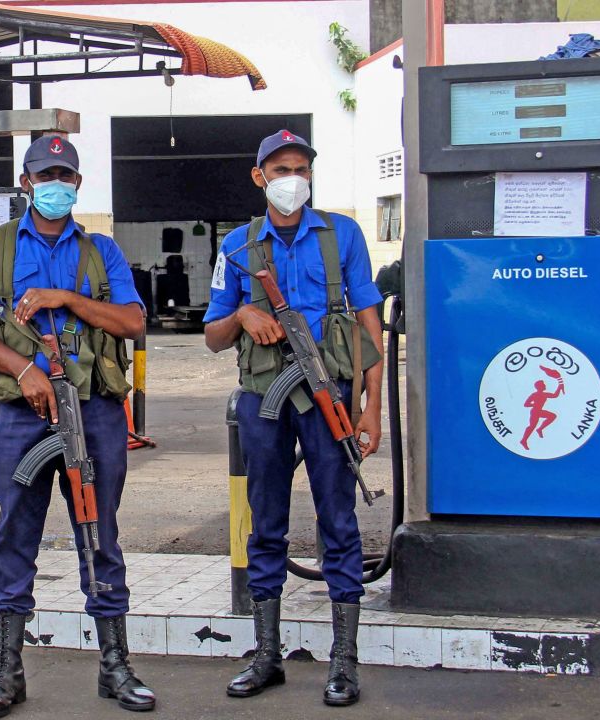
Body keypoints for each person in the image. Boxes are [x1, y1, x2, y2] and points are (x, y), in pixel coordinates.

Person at [0, 135, 155, 718]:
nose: (56, 184)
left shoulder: (100, 252)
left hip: (93, 409)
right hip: (21, 413)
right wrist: (22, 369)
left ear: (78, 184)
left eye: (66, 174)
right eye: (46, 175)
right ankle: (6, 672)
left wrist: (67, 296)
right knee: (15, 535)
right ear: (26, 182)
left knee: (99, 532)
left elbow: (134, 323)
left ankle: (115, 667)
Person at [203, 130, 385, 707]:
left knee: (338, 517)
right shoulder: (237, 245)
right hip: (265, 395)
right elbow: (211, 335)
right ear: (259, 177)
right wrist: (245, 312)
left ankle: (345, 660)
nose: (292, 179)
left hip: (331, 391)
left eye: (301, 168)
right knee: (266, 520)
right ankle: (265, 655)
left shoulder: (342, 235)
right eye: (280, 169)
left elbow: (367, 323)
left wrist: (372, 405)